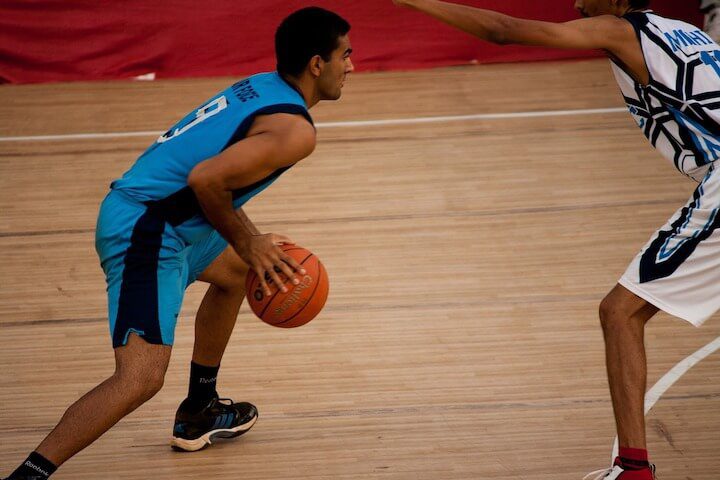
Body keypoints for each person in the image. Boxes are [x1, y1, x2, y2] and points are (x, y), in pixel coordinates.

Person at [2, 6, 353, 480]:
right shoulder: (295, 130)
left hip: (162, 217)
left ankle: (199, 410)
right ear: (317, 63)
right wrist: (251, 242)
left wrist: (251, 245)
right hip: (145, 230)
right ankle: (27, 475)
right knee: (139, 379)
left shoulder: (264, 85)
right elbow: (206, 179)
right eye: (345, 55)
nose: (351, 66)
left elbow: (216, 177)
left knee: (235, 275)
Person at [392, 1, 719, 479]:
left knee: (619, 313)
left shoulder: (618, 29)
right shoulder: (688, 32)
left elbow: (505, 30)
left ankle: (632, 470)